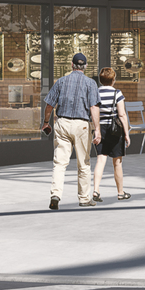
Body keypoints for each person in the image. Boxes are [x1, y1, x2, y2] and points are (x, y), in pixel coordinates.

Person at [41, 53, 102, 209]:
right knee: (83, 163)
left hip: (62, 123)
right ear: (85, 66)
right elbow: (94, 107)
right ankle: (83, 198)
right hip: (82, 125)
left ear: (72, 65)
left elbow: (49, 105)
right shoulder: (91, 83)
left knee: (60, 163)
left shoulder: (61, 81)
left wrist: (46, 122)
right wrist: (97, 130)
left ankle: (55, 195)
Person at [93, 67, 133, 203]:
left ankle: (96, 190)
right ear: (113, 80)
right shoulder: (117, 93)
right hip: (115, 129)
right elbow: (122, 114)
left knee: (100, 160)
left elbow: (93, 111)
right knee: (117, 162)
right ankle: (120, 192)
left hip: (100, 128)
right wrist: (126, 133)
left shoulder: (96, 92)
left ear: (100, 80)